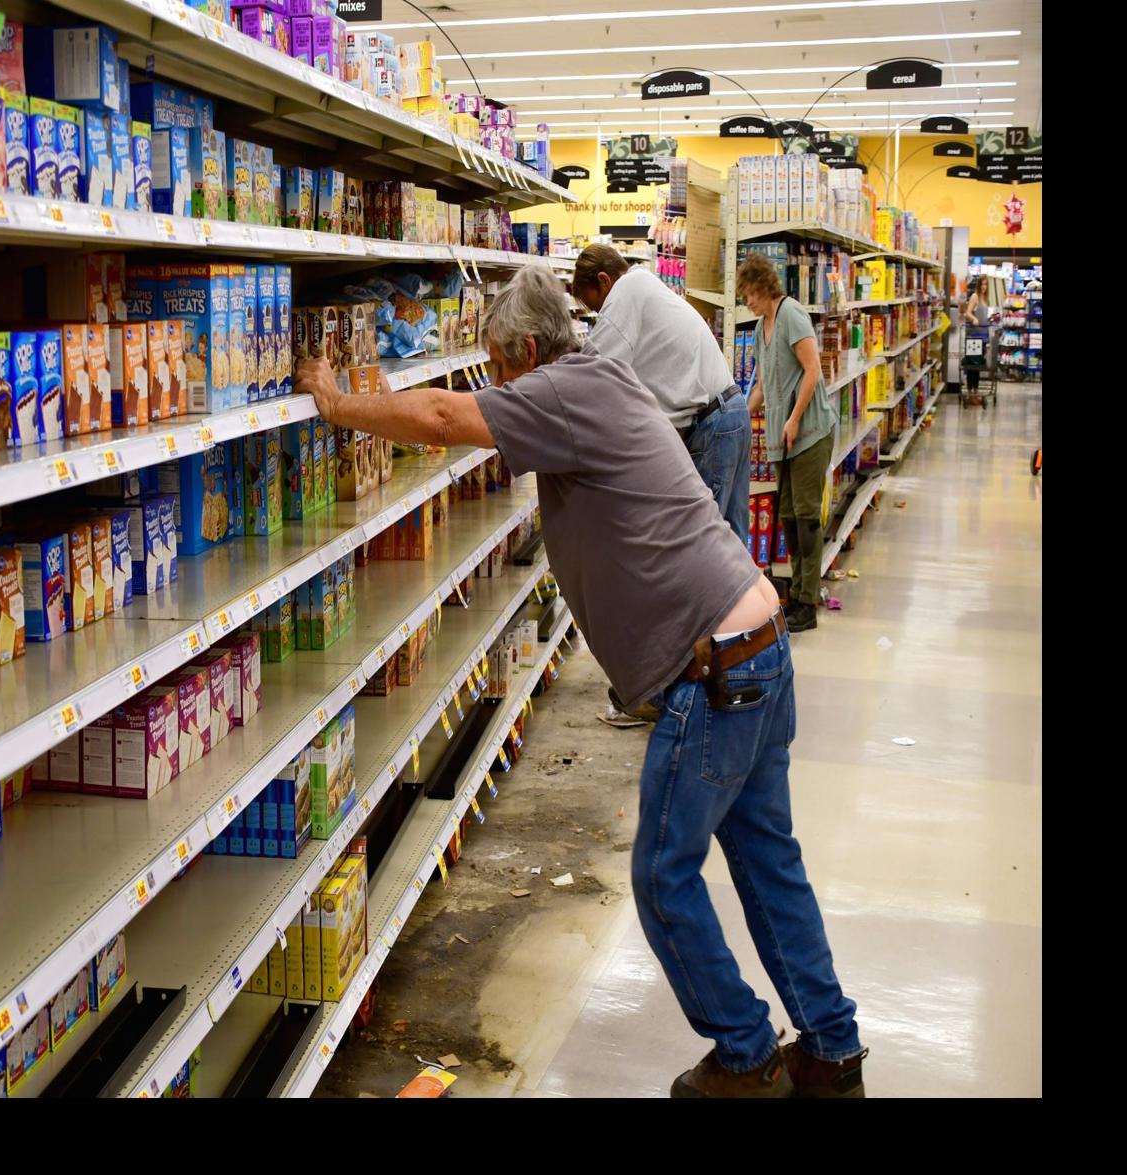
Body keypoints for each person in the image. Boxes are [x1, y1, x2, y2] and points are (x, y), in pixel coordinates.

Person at [295, 267, 865, 1098]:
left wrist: (341, 403)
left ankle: (746, 1055)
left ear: (528, 351)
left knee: (663, 878)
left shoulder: (560, 390)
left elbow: (447, 417)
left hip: (716, 674)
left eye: (498, 369)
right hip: (756, 647)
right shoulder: (596, 376)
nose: (495, 390)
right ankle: (831, 1049)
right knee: (767, 861)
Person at [572, 244, 750, 544]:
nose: (602, 316)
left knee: (704, 548)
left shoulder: (626, 290)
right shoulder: (645, 286)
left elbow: (592, 372)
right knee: (732, 545)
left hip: (713, 427)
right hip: (729, 414)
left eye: (598, 308)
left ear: (604, 280)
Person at [737, 254, 836, 635]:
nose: (747, 301)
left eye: (749, 294)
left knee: (807, 519)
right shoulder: (762, 325)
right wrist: (741, 416)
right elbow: (762, 386)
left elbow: (813, 370)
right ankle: (795, 594)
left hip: (809, 433)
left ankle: (807, 603)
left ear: (764, 286)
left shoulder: (792, 314)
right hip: (783, 439)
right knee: (790, 519)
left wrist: (794, 418)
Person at [963, 276, 995, 402]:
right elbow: (967, 313)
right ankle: (971, 393)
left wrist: (990, 319)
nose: (984, 287)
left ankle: (975, 393)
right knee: (972, 366)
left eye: (986, 285)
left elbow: (983, 315)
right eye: (982, 284)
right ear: (978, 285)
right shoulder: (975, 296)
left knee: (978, 366)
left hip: (983, 335)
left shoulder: (985, 299)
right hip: (973, 337)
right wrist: (974, 318)